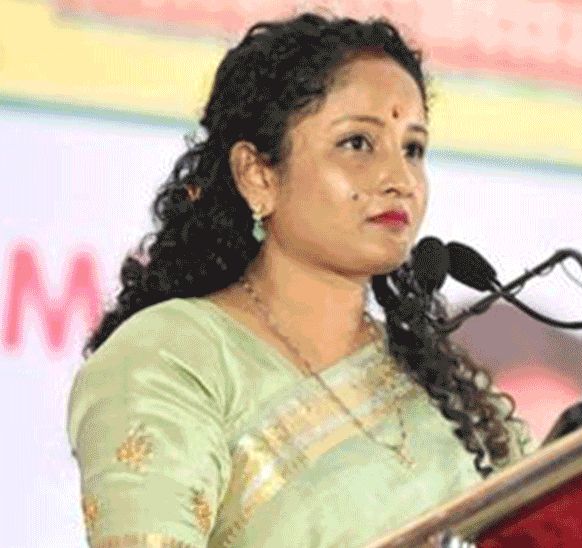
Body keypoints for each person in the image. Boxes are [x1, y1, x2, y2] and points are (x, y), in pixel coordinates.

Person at [66, 13, 536, 548]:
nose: (401, 179)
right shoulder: (174, 358)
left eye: (413, 149)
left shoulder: (450, 393)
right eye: (357, 143)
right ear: (257, 175)